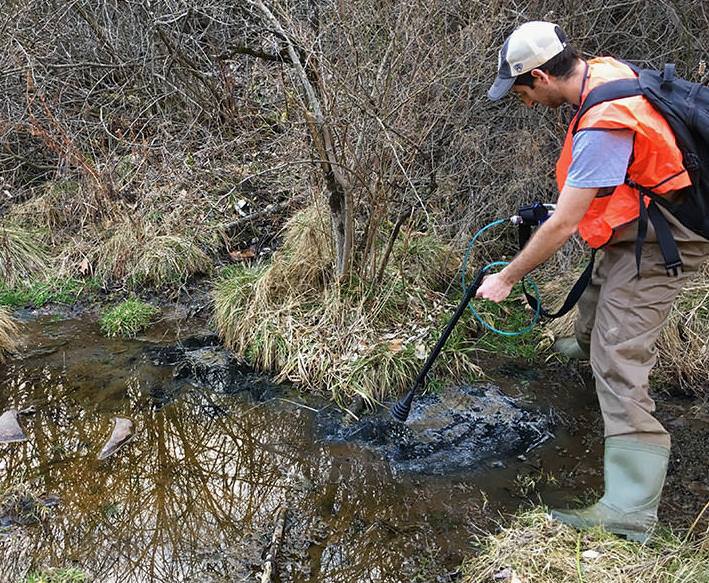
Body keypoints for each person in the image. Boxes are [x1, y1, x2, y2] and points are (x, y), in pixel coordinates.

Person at [481, 21, 709, 543]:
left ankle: (629, 510)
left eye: (520, 91)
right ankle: (585, 350)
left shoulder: (603, 122)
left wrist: (508, 278)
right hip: (640, 222)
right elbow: (619, 176)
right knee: (597, 297)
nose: (523, 102)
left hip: (666, 237)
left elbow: (564, 224)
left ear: (539, 76)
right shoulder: (603, 73)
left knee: (619, 356)